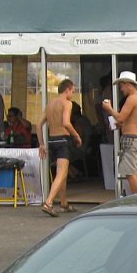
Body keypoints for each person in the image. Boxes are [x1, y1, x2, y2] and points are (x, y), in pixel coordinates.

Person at [39, 79, 83, 217]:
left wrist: (41, 144)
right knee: (62, 174)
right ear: (67, 90)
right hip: (63, 139)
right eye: (72, 91)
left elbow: (38, 124)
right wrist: (76, 135)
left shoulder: (49, 104)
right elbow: (66, 123)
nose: (72, 94)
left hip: (51, 140)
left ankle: (64, 202)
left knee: (61, 173)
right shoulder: (67, 103)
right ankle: (49, 202)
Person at [103, 70, 137, 194]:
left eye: (122, 86)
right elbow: (132, 119)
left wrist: (109, 109)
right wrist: (121, 125)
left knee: (130, 173)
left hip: (132, 139)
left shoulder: (132, 98)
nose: (121, 89)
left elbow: (120, 117)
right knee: (134, 172)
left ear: (127, 84)